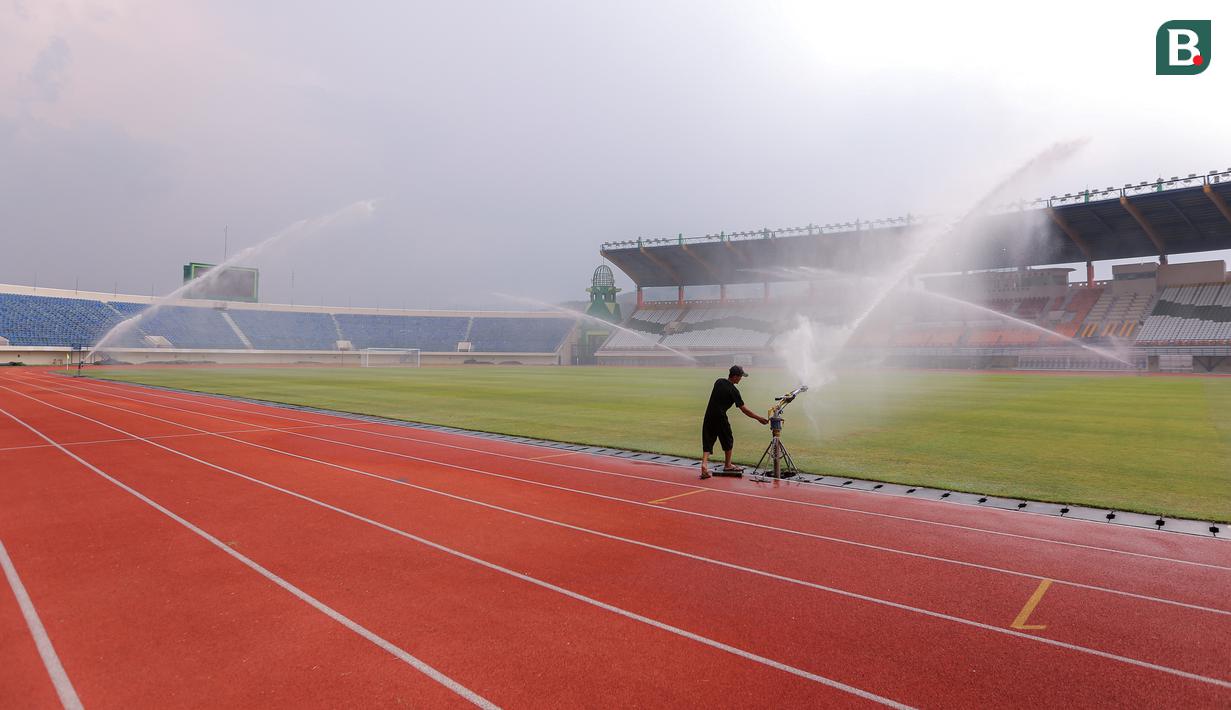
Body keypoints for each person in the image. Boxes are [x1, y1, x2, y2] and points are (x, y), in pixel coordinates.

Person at [700, 365, 768, 479]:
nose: (741, 378)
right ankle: (727, 465)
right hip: (720, 417)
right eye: (740, 376)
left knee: (708, 439)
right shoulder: (734, 391)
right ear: (735, 377)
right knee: (728, 440)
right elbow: (744, 410)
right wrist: (759, 418)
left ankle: (704, 464)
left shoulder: (719, 382)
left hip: (709, 415)